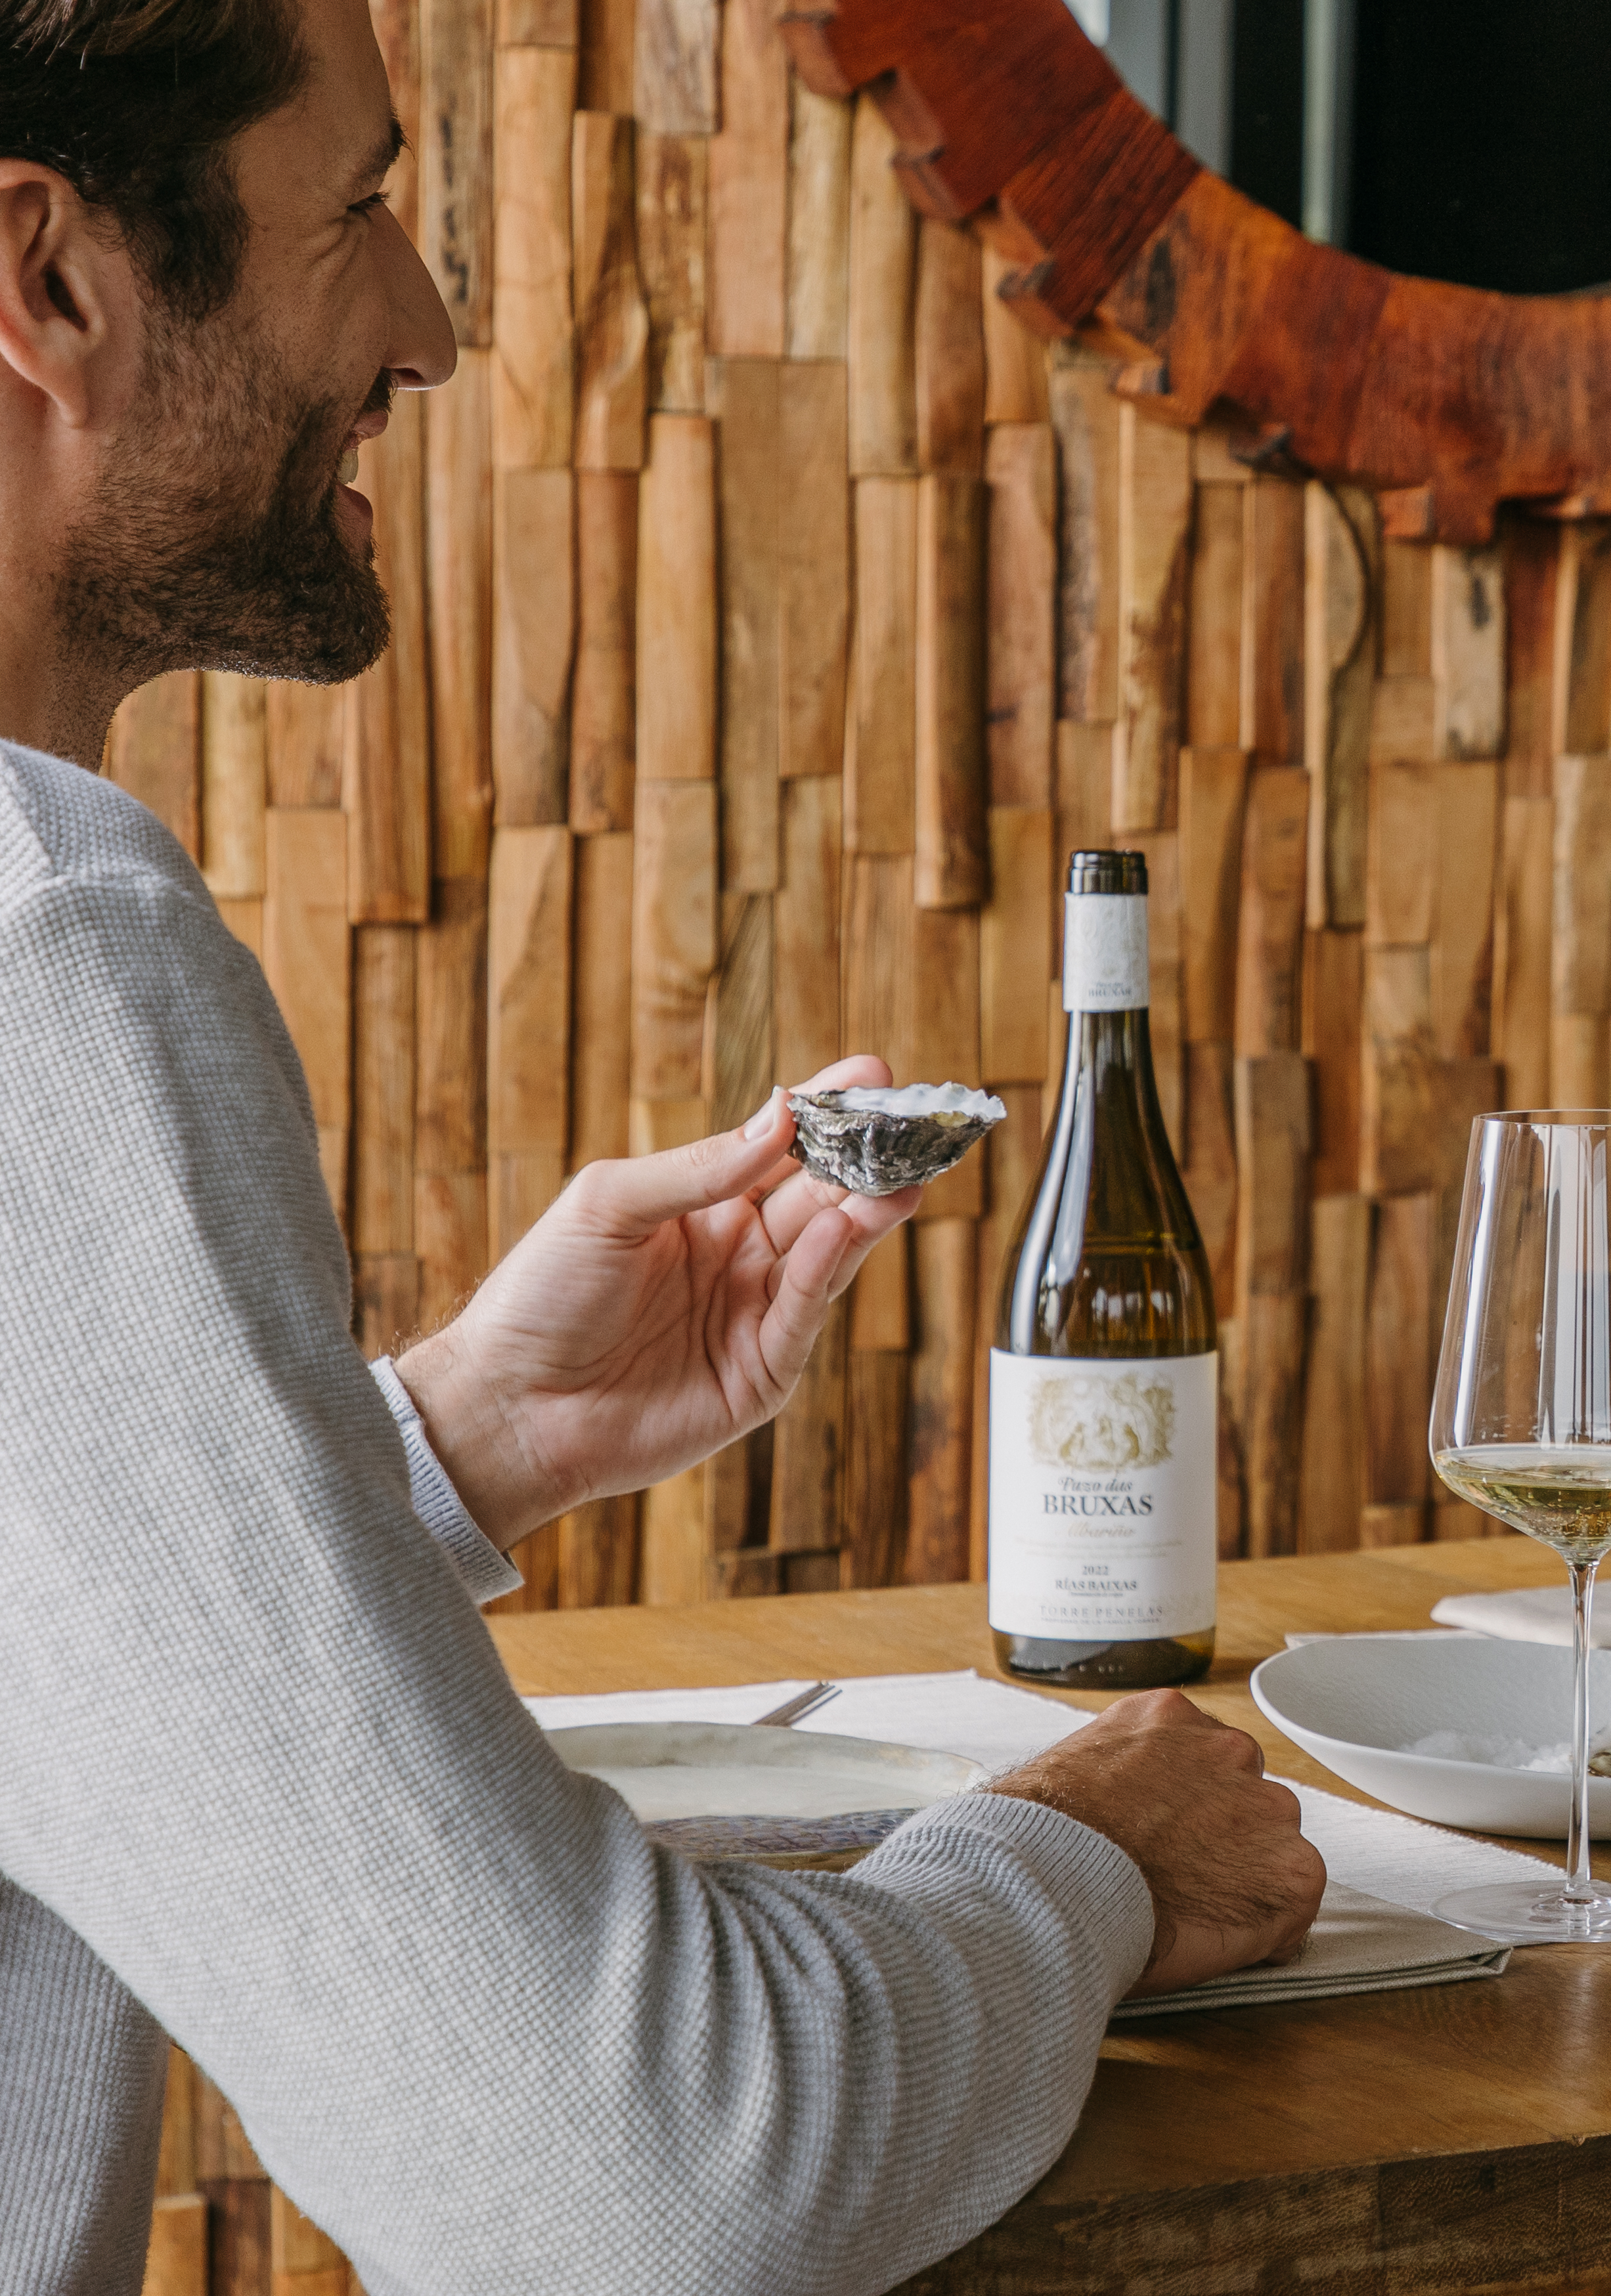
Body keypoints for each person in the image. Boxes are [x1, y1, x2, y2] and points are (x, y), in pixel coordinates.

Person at [0, 1, 1323, 2288]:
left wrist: (418, 1455)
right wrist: (1077, 1856)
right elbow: (632, 2182)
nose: (422, 327)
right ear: (46, 283)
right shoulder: (47, 950)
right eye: (362, 211)